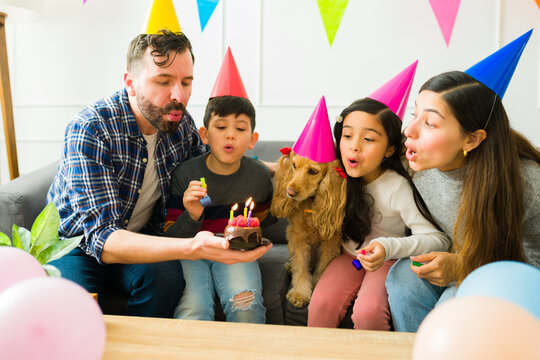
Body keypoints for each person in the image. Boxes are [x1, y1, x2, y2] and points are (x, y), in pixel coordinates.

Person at [47, 30, 271, 318]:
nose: (179, 96)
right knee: (74, 309)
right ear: (130, 82)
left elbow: (213, 163)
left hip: (141, 238)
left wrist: (274, 167)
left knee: (165, 278)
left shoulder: (181, 125)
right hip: (76, 244)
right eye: (164, 81)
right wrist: (192, 246)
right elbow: (102, 239)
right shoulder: (91, 129)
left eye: (186, 82)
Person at [386, 32, 540, 332]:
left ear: (472, 138)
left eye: (429, 123)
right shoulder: (413, 164)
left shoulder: (525, 181)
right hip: (453, 261)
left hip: (502, 276)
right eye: (414, 114)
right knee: (402, 277)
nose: (410, 131)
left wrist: (464, 266)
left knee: (451, 311)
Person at [307, 63, 450, 330]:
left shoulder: (396, 187)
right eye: (347, 135)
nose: (354, 146)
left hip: (388, 259)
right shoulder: (334, 177)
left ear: (389, 150)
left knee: (368, 313)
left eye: (369, 139)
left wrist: (388, 248)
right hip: (349, 257)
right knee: (321, 306)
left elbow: (436, 238)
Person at [164, 48, 273, 323]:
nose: (230, 135)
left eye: (240, 128)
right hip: (192, 251)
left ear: (252, 138)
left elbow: (266, 220)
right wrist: (192, 214)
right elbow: (172, 238)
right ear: (204, 135)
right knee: (194, 309)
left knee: (245, 304)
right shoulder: (186, 174)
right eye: (221, 127)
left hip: (236, 251)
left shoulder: (259, 176)